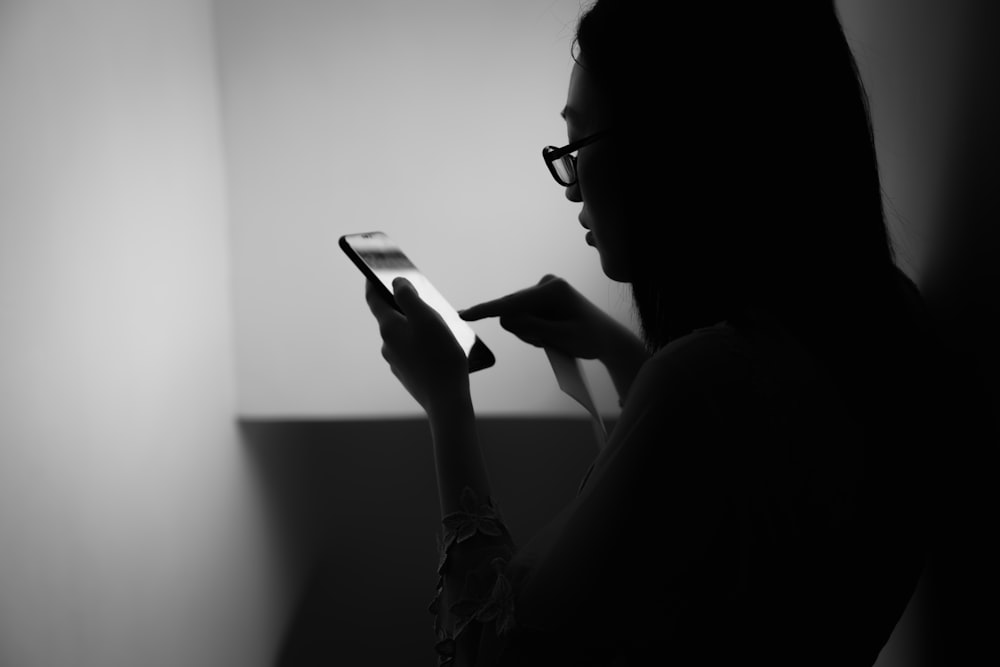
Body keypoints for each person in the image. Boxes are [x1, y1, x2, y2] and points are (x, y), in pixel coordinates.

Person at [364, 2, 967, 664]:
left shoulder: (701, 391)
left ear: (677, 145)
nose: (570, 191)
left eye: (579, 142)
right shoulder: (887, 322)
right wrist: (624, 353)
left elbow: (486, 650)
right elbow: (721, 514)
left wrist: (446, 406)